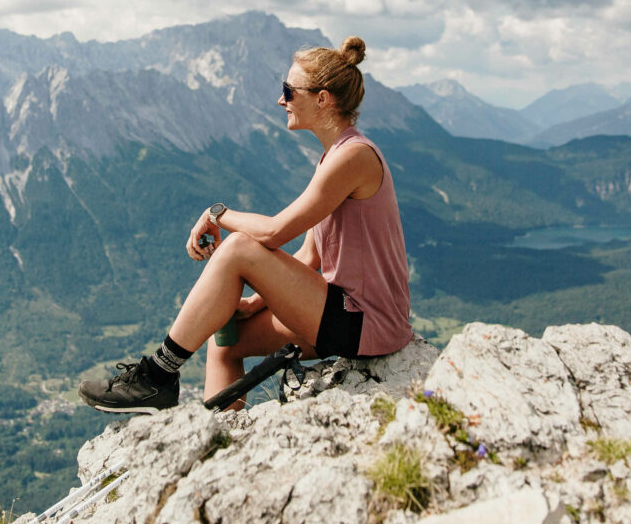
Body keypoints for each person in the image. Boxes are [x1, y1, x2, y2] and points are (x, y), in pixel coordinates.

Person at [79, 35, 413, 414]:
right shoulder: (333, 157)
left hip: (366, 322)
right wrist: (255, 303)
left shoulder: (353, 157)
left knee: (238, 248)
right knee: (225, 341)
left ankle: (156, 377)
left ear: (322, 98)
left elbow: (274, 233)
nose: (281, 100)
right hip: (349, 315)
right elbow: (308, 254)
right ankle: (222, 443)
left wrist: (216, 214)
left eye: (289, 90)